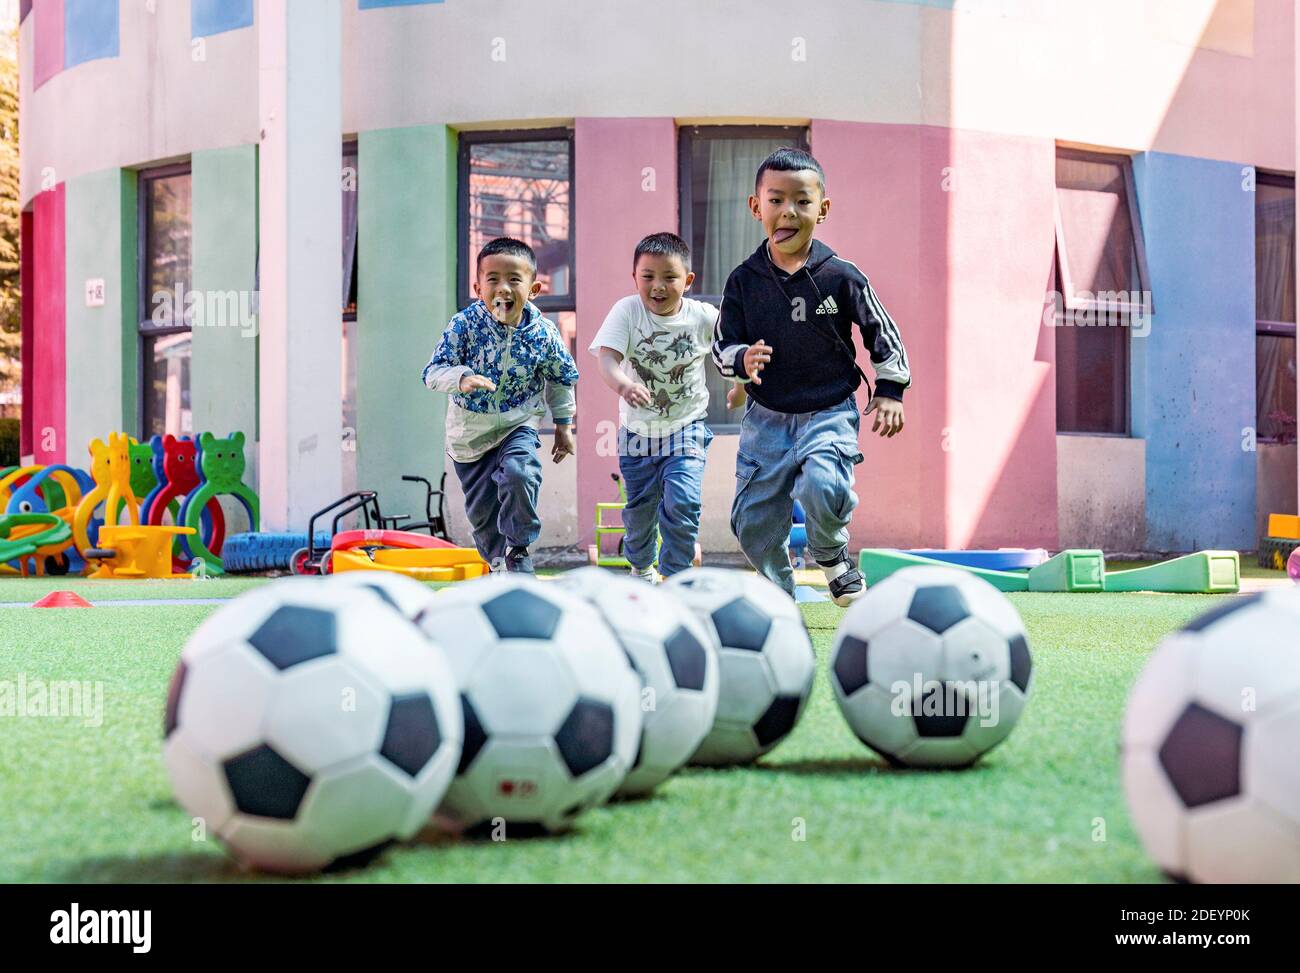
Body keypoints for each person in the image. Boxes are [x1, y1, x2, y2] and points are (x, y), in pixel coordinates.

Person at [711, 147, 911, 605]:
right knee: (753, 520)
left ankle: (833, 557)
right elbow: (722, 344)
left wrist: (890, 389)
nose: (788, 211)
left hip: (829, 410)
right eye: (776, 199)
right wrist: (741, 360)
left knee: (826, 485)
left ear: (822, 210)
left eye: (802, 201)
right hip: (767, 417)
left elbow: (882, 330)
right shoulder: (743, 281)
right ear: (755, 206)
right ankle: (776, 591)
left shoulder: (841, 275)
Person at [422, 237, 578, 573]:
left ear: (534, 288)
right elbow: (432, 372)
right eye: (493, 280)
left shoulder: (544, 334)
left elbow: (562, 377)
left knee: (520, 473)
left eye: (514, 280)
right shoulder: (464, 326)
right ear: (479, 288)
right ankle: (498, 564)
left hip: (517, 423)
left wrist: (564, 426)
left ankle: (519, 549)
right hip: (469, 435)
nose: (503, 288)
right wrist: (461, 377)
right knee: (483, 519)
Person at [590, 232, 718, 581]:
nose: (657, 286)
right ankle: (642, 566)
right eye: (648, 277)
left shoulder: (704, 317)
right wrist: (624, 384)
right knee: (641, 510)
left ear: (688, 281)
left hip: (687, 425)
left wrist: (739, 382)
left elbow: (731, 348)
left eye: (669, 278)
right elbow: (607, 359)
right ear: (635, 279)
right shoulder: (627, 311)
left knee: (683, 501)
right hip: (637, 433)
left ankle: (676, 576)